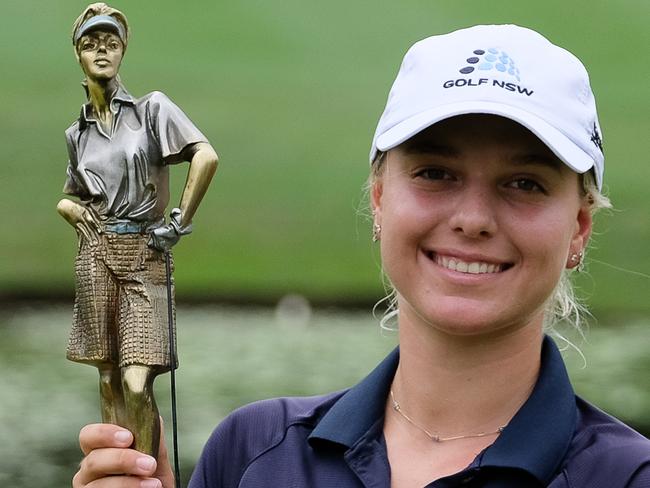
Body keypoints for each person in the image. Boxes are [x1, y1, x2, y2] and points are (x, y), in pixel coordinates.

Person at [72, 24, 650, 488]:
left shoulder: (630, 476)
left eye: (524, 183)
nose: (473, 218)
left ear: (578, 228)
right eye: (434, 173)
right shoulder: (253, 452)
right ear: (379, 201)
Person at [58, 3, 218, 459]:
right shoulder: (78, 133)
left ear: (123, 50)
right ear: (79, 55)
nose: (102, 51)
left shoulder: (151, 110)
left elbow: (205, 156)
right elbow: (70, 193)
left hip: (145, 253)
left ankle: (146, 474)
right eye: (91, 44)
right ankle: (117, 475)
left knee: (135, 378)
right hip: (95, 254)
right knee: (107, 375)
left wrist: (179, 221)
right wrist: (69, 209)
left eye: (110, 43)